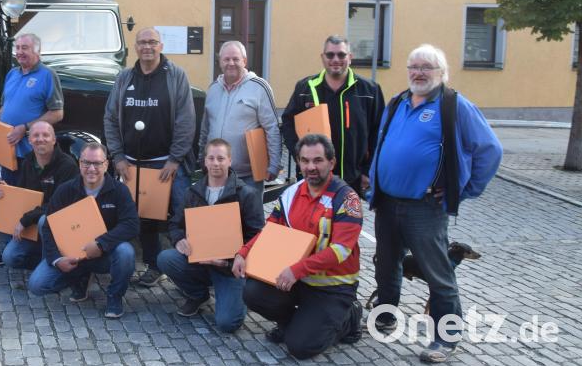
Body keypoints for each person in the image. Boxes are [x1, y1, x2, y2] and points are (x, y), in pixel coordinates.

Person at [367, 44, 502, 363]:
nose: (418, 72)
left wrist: (465, 189)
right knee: (386, 266)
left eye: (426, 67)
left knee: (438, 272)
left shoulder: (454, 106)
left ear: (442, 73)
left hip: (425, 207)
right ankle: (385, 315)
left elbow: (490, 150)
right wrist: (375, 181)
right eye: (413, 66)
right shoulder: (398, 102)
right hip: (387, 204)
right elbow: (382, 145)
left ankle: (447, 338)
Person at [236, 134, 363, 359]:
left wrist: (297, 269)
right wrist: (243, 253)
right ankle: (292, 323)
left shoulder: (346, 199)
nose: (310, 167)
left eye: (317, 160)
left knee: (300, 348)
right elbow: (270, 229)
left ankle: (348, 318)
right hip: (297, 281)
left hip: (332, 288)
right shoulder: (291, 193)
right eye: (305, 161)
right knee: (253, 292)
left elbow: (340, 251)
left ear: (331, 163)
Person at [103, 27, 196, 287]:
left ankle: (190, 269)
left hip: (167, 163)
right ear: (136, 47)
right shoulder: (124, 78)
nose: (148, 47)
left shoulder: (176, 75)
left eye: (152, 42)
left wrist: (175, 158)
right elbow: (110, 118)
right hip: (132, 163)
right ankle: (154, 266)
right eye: (143, 42)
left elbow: (186, 120)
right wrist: (118, 157)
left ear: (161, 45)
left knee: (184, 214)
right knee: (144, 218)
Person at [157, 139, 264, 332]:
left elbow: (258, 236)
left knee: (227, 323)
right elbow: (175, 224)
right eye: (211, 158)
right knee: (166, 259)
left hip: (229, 268)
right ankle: (198, 294)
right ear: (204, 162)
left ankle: (240, 293)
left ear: (230, 161)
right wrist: (179, 239)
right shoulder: (193, 192)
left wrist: (229, 262)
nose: (216, 163)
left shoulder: (246, 194)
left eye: (221, 158)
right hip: (198, 262)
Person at [27, 142, 140, 319]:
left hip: (105, 254)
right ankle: (79, 278)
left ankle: (114, 297)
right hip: (72, 255)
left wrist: (101, 244)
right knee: (37, 285)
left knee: (126, 252)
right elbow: (48, 227)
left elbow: (132, 224)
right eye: (86, 163)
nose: (91, 169)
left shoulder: (119, 191)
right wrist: (57, 259)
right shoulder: (65, 190)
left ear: (106, 165)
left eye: (97, 163)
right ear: (79, 163)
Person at [0, 32, 64, 265]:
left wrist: (25, 129)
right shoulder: (12, 73)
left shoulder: (48, 76)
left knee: (29, 201)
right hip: (7, 153)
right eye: (17, 47)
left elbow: (57, 113)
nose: (19, 52)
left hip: (31, 154)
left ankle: (35, 249)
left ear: (37, 51)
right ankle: (12, 245)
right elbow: (4, 108)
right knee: (9, 199)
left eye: (25, 48)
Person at [281, 35, 385, 197]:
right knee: (310, 222)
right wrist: (300, 155)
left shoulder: (369, 90)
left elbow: (379, 133)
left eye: (341, 55)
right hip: (312, 178)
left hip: (352, 180)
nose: (335, 59)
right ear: (323, 57)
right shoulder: (305, 88)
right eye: (330, 55)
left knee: (347, 222)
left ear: (350, 57)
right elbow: (288, 123)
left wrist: (368, 170)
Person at [0, 121, 79, 270]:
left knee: (43, 221)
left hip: (57, 227)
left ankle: (52, 262)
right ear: (30, 140)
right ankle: (44, 259)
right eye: (36, 135)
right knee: (10, 258)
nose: (40, 139)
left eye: (46, 135)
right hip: (32, 225)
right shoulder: (27, 161)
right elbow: (22, 195)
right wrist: (5, 193)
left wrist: (25, 220)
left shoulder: (68, 166)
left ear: (54, 139)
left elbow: (58, 205)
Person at [199, 40, 282, 191]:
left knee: (250, 215)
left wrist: (274, 164)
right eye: (226, 59)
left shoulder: (259, 87)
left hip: (248, 175)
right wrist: (201, 158)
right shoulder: (213, 89)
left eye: (236, 59)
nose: (231, 63)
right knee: (220, 214)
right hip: (217, 174)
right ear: (220, 62)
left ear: (244, 61)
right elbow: (205, 129)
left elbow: (272, 128)